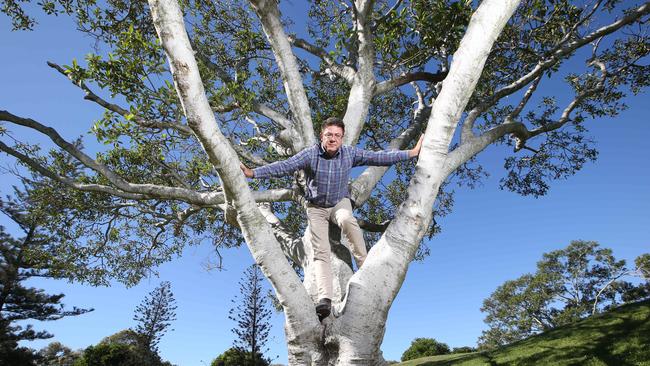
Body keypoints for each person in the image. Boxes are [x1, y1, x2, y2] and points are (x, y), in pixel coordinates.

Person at [241, 117, 422, 321]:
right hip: (316, 208)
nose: (333, 139)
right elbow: (284, 166)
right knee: (320, 252)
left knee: (347, 220)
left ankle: (365, 268)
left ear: (342, 138)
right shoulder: (310, 154)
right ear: (322, 136)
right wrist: (252, 173)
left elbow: (379, 158)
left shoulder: (350, 154)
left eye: (337, 135)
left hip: (339, 203)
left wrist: (412, 153)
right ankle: (325, 299)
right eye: (329, 135)